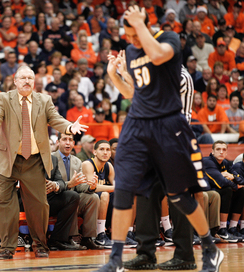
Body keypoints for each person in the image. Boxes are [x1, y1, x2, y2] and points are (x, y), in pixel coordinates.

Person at [94, 6, 223, 272]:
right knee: (125, 190)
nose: (132, 40)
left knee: (180, 197)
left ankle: (209, 248)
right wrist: (113, 74)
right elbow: (134, 92)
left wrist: (140, 25)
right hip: (137, 128)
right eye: (128, 35)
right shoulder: (131, 51)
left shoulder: (168, 39)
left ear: (145, 25)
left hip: (170, 128)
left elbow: (155, 53)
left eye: (135, 33)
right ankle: (116, 260)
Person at [0, 65, 88, 260]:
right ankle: (6, 247)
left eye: (30, 78)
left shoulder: (44, 100)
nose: (27, 81)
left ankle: (40, 244)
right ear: (15, 81)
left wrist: (70, 127)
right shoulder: (3, 98)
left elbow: (56, 119)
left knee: (38, 205)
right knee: (5, 204)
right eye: (23, 78)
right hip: (7, 160)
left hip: (34, 160)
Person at [52, 133, 103, 250]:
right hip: (56, 198)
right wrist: (69, 184)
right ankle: (71, 237)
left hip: (72, 197)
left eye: (70, 140)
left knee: (93, 197)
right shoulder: (51, 158)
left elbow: (79, 186)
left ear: (74, 144)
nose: (68, 142)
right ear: (57, 142)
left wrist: (91, 187)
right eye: (64, 139)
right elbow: (50, 184)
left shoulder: (77, 161)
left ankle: (88, 238)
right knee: (72, 196)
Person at [203, 140, 244, 242]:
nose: (221, 152)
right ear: (212, 151)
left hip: (216, 192)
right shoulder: (207, 162)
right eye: (218, 149)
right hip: (205, 191)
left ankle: (233, 228)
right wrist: (235, 185)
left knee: (242, 190)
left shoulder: (225, 163)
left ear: (226, 153)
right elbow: (221, 182)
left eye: (224, 150)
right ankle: (222, 228)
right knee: (227, 190)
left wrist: (231, 176)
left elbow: (241, 180)